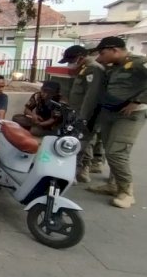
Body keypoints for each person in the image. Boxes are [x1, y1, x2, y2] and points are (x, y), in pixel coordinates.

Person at [85, 37, 147, 208]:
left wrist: (137, 101)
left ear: (115, 50)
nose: (100, 57)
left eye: (103, 53)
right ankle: (114, 184)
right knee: (108, 147)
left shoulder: (139, 62)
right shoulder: (114, 67)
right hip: (110, 113)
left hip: (130, 115)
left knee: (117, 152)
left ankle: (127, 192)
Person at [58, 45, 106, 182]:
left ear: (80, 57)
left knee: (81, 144)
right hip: (79, 113)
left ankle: (77, 171)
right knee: (79, 142)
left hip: (87, 115)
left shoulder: (93, 69)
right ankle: (76, 171)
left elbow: (91, 97)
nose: (70, 64)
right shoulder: (84, 69)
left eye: (71, 60)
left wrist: (84, 117)